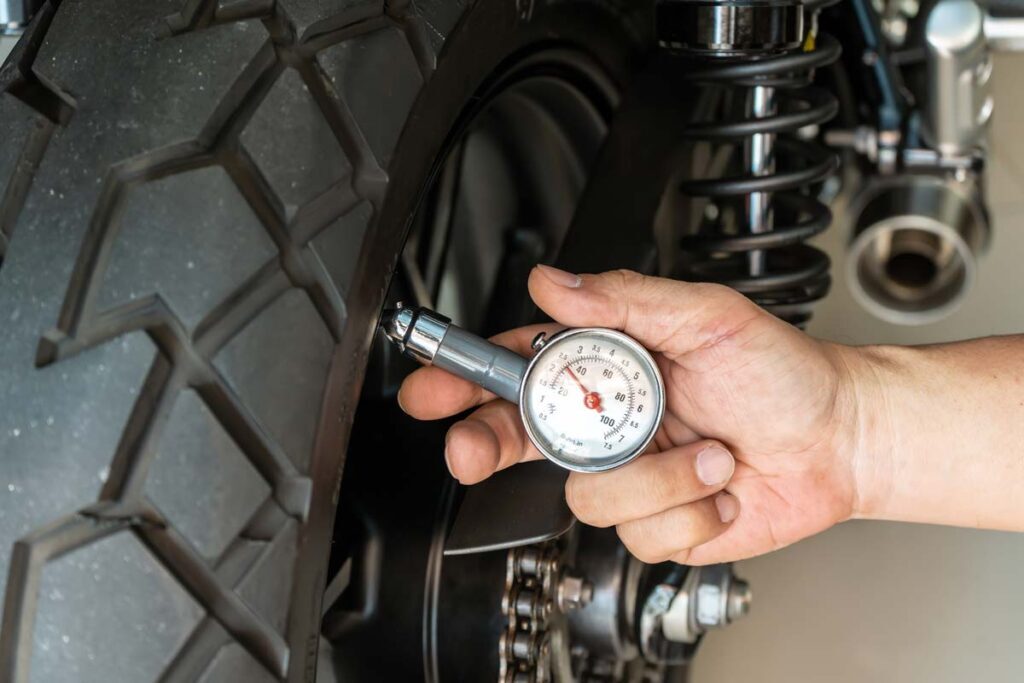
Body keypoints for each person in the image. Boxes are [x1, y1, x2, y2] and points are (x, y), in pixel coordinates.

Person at [396, 266, 1024, 565]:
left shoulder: (580, 402)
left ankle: (415, 332)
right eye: (592, 397)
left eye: (593, 397)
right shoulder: (575, 393)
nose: (593, 399)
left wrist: (850, 434)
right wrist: (845, 425)